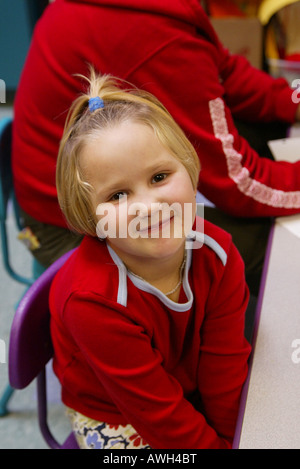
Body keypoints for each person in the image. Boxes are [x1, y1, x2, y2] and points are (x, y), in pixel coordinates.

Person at [12, 0, 300, 296]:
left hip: (98, 184)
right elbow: (237, 184)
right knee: (271, 249)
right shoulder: (152, 33)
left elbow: (221, 70)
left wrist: (293, 100)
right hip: (72, 221)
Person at [49, 70, 251, 449]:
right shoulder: (92, 302)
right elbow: (159, 417)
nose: (148, 207)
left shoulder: (218, 253)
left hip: (179, 385)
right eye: (118, 195)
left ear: (188, 168)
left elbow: (224, 373)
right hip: (117, 413)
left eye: (159, 176)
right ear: (90, 215)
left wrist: (234, 439)